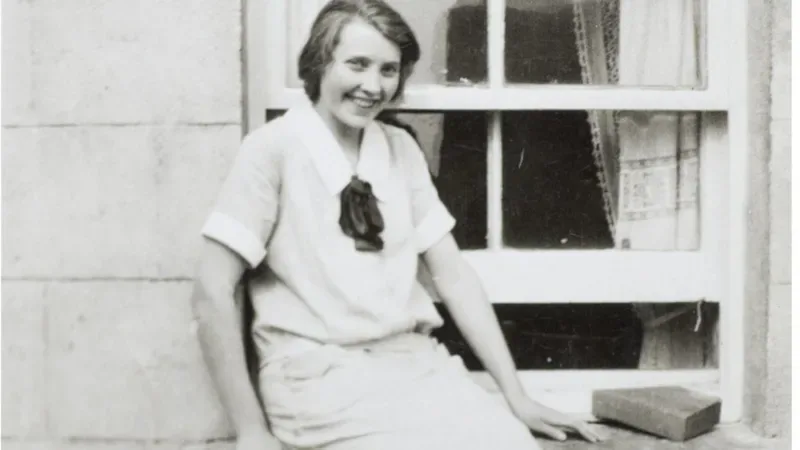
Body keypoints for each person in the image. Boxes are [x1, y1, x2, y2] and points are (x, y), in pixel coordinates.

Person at [190, 0, 603, 448]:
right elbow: (212, 292)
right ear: (320, 64)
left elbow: (454, 276)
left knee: (511, 443)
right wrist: (251, 430)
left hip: (411, 364)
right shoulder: (273, 150)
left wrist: (517, 398)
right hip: (315, 376)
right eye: (357, 65)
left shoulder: (400, 150)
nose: (373, 86)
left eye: (389, 70)